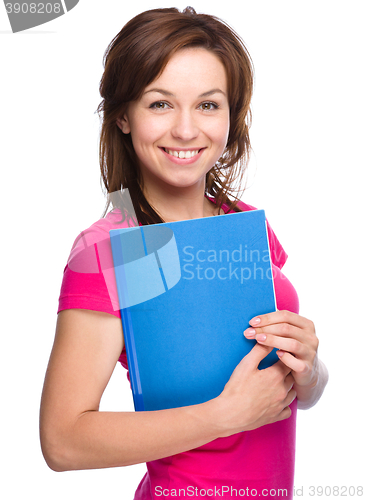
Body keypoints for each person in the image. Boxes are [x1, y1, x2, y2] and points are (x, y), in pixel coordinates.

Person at [39, 7, 329, 499]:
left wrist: (310, 369)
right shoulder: (114, 249)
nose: (187, 130)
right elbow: (62, 441)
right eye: (160, 104)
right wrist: (223, 416)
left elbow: (296, 394)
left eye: (208, 105)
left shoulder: (246, 224)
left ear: (231, 116)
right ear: (123, 116)